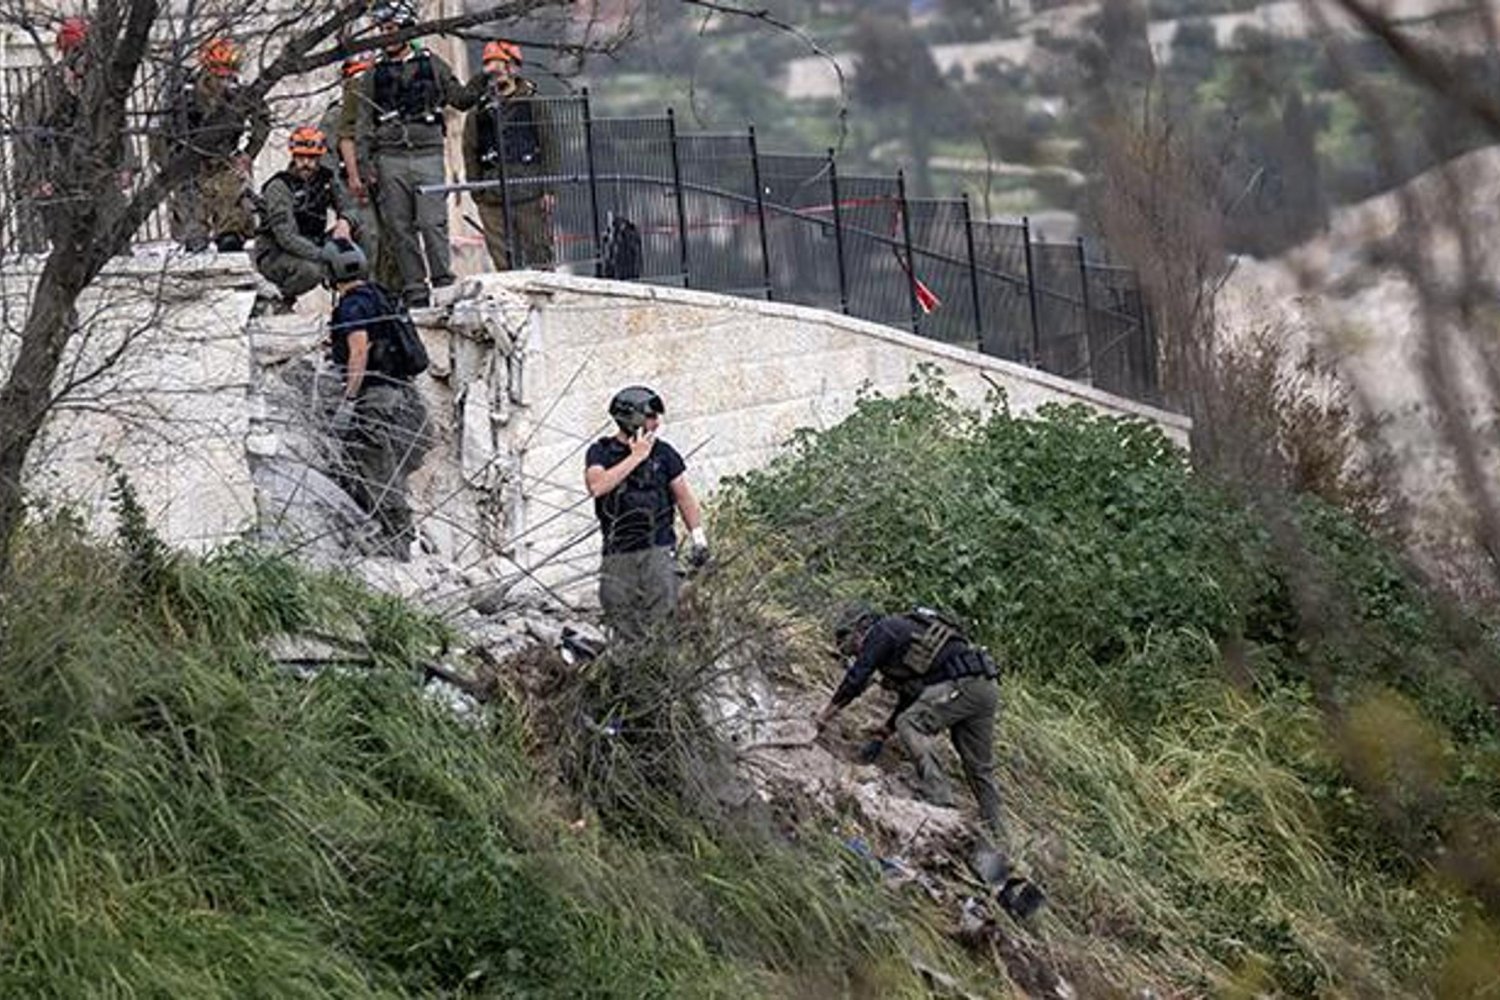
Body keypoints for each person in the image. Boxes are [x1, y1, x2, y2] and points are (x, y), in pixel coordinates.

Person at [339, 0, 481, 307]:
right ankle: (415, 288)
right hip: (390, 158)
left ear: (406, 30)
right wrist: (365, 166)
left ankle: (443, 281)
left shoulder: (432, 64)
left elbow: (460, 99)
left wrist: (482, 80)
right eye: (383, 30)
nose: (387, 36)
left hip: (428, 153)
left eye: (392, 30)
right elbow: (363, 123)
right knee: (400, 228)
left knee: (432, 222)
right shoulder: (373, 74)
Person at [321, 238, 432, 558]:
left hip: (378, 401)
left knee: (377, 472)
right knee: (379, 470)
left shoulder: (351, 306)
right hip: (407, 398)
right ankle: (390, 533)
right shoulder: (381, 296)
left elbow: (359, 350)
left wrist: (348, 400)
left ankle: (396, 542)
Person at [584, 386, 709, 641]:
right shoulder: (601, 452)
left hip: (658, 549)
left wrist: (698, 537)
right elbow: (597, 486)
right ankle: (632, 676)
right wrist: (636, 457)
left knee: (662, 623)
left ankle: (665, 675)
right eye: (651, 416)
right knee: (622, 621)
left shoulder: (664, 453)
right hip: (618, 553)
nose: (656, 423)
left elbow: (684, 496)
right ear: (633, 418)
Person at [13, 17, 134, 253]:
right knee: (66, 246)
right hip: (59, 178)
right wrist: (34, 179)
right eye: (76, 51)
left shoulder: (101, 90)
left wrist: (125, 165)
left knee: (115, 235)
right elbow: (25, 137)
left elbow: (118, 126)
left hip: (98, 174)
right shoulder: (42, 93)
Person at [155, 36, 271, 252]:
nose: (223, 76)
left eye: (228, 69)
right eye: (218, 69)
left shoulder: (239, 91)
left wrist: (248, 154)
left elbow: (262, 119)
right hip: (190, 167)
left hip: (224, 163)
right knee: (194, 235)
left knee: (232, 230)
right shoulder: (185, 92)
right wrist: (170, 165)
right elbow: (162, 132)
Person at [462, 39, 556, 271]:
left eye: (499, 65)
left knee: (539, 253)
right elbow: (470, 149)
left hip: (529, 190)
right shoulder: (478, 111)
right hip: (492, 194)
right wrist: (478, 191)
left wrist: (549, 188)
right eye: (489, 67)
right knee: (503, 260)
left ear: (513, 68)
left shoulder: (533, 103)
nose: (494, 73)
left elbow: (549, 144)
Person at [252, 126, 353, 311]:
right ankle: (278, 299)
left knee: (360, 234)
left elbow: (349, 205)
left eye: (312, 158)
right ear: (293, 156)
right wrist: (323, 255)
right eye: (301, 157)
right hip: (275, 252)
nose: (306, 163)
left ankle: (356, 297)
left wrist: (345, 220)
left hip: (314, 242)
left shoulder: (326, 180)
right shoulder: (280, 186)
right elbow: (286, 237)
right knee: (312, 271)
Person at [320, 54, 388, 283]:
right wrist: (341, 192)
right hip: (353, 189)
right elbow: (326, 161)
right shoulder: (335, 117)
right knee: (369, 237)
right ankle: (366, 286)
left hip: (381, 184)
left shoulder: (378, 113)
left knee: (391, 241)